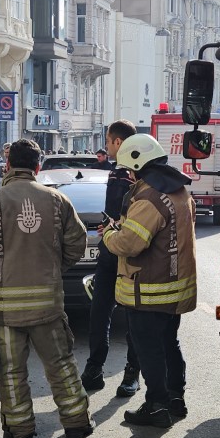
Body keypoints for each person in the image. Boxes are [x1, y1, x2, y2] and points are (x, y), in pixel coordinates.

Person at [0, 139, 92, 438]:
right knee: (61, 365)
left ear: (7, 166)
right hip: (47, 307)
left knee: (10, 372)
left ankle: (20, 433)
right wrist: (55, 267)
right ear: (37, 167)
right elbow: (77, 242)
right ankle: (77, 423)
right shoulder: (58, 200)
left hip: (3, 311)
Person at [101, 133, 197, 428]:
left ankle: (156, 406)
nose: (129, 176)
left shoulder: (149, 198)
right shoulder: (179, 191)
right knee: (169, 343)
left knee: (149, 349)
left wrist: (109, 233)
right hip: (174, 288)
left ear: (137, 165)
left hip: (149, 291)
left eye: (129, 170)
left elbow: (129, 244)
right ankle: (175, 399)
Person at [82, 121, 141, 396]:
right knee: (100, 312)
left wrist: (114, 226)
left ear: (118, 142)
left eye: (108, 141)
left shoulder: (135, 173)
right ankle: (95, 368)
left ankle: (131, 373)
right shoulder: (117, 172)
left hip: (130, 255)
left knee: (131, 315)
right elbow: (112, 213)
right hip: (109, 253)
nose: (106, 146)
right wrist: (107, 226)